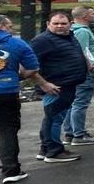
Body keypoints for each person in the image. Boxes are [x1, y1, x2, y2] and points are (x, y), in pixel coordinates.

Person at [0, 14, 59, 183]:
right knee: (7, 132)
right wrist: (16, 76)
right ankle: (11, 171)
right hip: (5, 94)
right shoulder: (16, 43)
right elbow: (32, 68)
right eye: (10, 26)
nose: (12, 29)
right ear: (3, 26)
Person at [29, 11, 87, 164]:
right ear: (48, 24)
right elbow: (28, 65)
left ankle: (45, 148)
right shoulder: (42, 41)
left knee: (53, 117)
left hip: (68, 84)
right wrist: (43, 83)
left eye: (63, 23)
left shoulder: (69, 37)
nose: (60, 26)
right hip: (56, 87)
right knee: (54, 118)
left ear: (70, 24)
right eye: (56, 23)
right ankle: (54, 151)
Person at [62, 5, 94, 145]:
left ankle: (70, 133)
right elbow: (81, 51)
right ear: (85, 16)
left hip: (76, 71)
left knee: (73, 103)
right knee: (80, 103)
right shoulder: (82, 32)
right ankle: (79, 135)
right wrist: (89, 66)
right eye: (93, 13)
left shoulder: (73, 30)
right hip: (85, 72)